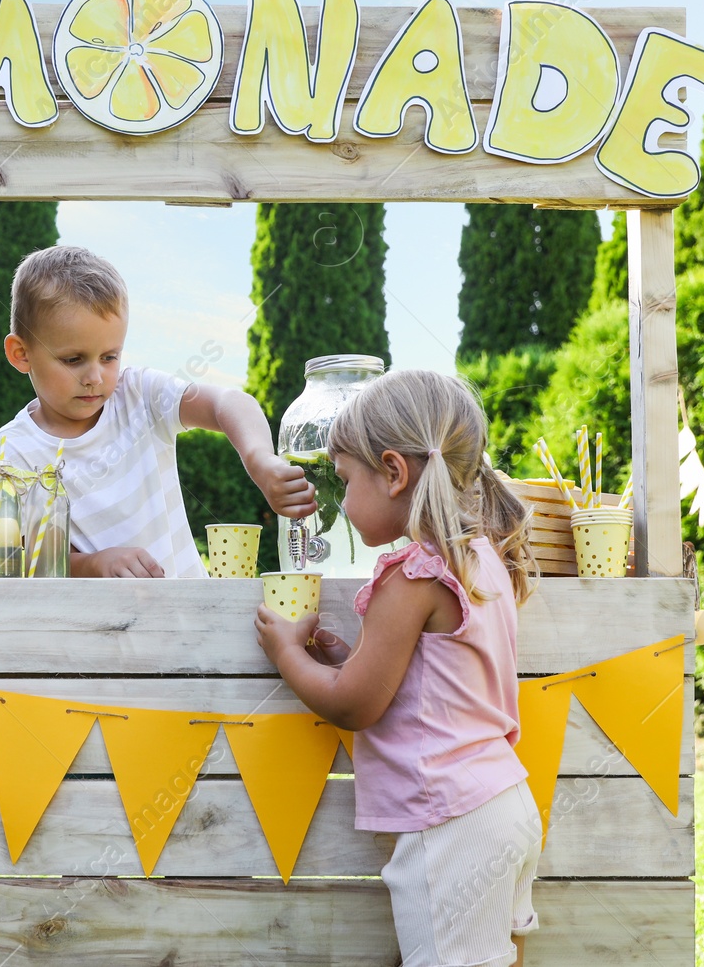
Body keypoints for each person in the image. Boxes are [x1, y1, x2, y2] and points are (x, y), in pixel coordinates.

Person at [255, 369, 540, 967]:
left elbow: (354, 705)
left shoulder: (411, 575)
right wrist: (348, 657)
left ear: (392, 472)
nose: (343, 498)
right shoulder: (481, 557)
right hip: (502, 802)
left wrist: (287, 654)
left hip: (451, 823)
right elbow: (434, 676)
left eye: (346, 478)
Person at [0, 244, 314, 578]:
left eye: (109, 356)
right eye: (73, 360)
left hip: (190, 622)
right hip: (90, 630)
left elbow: (228, 402)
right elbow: (21, 559)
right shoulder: (9, 453)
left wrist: (259, 459)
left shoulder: (139, 395)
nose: (95, 377)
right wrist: (94, 564)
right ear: (21, 353)